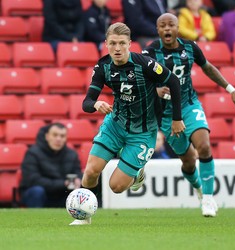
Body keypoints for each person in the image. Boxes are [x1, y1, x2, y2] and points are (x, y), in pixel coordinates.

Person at [70, 22, 185, 225]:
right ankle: (84, 217)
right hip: (115, 125)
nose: (117, 48)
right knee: (90, 172)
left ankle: (137, 174)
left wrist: (177, 118)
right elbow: (86, 102)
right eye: (112, 43)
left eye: (122, 43)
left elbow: (173, 82)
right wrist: (96, 103)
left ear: (129, 44)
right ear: (106, 44)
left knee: (116, 186)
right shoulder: (103, 66)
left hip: (141, 133)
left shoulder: (145, 64)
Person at [142, 13, 235, 217]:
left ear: (177, 28)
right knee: (189, 161)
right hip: (166, 115)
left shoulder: (190, 47)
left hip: (189, 105)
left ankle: (208, 199)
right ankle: (199, 189)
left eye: (170, 25)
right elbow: (140, 78)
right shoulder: (151, 51)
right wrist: (154, 90)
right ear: (158, 30)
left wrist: (231, 89)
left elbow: (207, 67)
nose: (167, 29)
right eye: (162, 26)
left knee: (204, 146)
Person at [19, 123, 82, 208]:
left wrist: (78, 180)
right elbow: (32, 180)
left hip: (62, 194)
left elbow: (77, 173)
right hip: (40, 194)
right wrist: (63, 184)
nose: (58, 139)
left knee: (79, 192)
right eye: (55, 135)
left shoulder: (72, 154)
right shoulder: (32, 153)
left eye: (62, 136)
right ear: (47, 136)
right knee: (37, 191)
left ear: (65, 138)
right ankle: (36, 219)